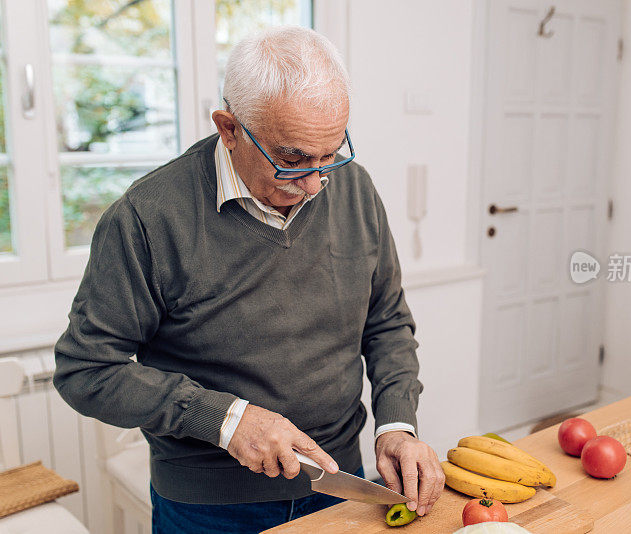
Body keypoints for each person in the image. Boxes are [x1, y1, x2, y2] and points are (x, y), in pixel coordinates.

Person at [53, 26, 444, 533]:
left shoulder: (354, 189)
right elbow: (85, 369)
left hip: (341, 482)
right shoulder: (148, 217)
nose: (314, 184)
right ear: (229, 128)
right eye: (292, 160)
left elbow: (387, 321)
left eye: (331, 154)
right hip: (210, 507)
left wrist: (396, 423)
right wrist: (223, 418)